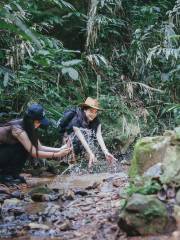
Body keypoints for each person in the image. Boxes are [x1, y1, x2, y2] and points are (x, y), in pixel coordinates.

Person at [0, 103, 72, 184]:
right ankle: (5, 175)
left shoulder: (28, 127)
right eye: (38, 121)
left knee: (26, 146)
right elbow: (34, 152)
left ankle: (13, 175)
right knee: (23, 147)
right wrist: (58, 154)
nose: (39, 124)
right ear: (30, 120)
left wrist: (60, 149)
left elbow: (39, 147)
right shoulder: (17, 129)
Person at [58, 97, 116, 168]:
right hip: (70, 137)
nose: (93, 114)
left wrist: (106, 152)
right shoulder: (76, 120)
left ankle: (87, 162)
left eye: (95, 112)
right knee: (69, 163)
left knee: (93, 158)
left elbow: (99, 136)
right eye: (91, 111)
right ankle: (67, 162)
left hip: (83, 138)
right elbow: (81, 138)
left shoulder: (96, 121)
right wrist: (90, 153)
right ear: (85, 110)